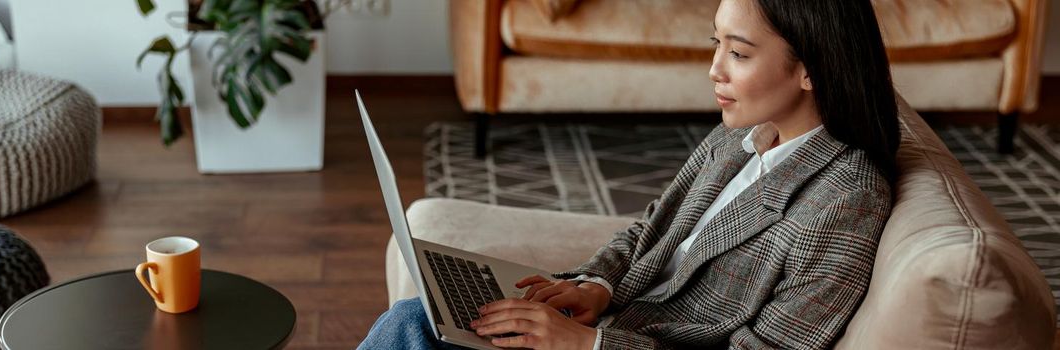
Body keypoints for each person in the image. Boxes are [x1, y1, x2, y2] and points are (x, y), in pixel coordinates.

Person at [360, 0, 900, 348]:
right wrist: (596, 285)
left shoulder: (844, 200)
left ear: (811, 69)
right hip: (606, 321)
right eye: (717, 45)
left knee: (413, 325)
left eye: (738, 52)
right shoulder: (741, 137)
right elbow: (648, 229)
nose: (714, 69)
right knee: (427, 312)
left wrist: (586, 345)